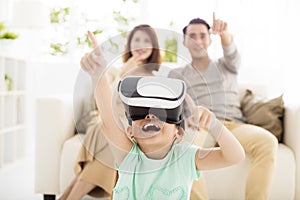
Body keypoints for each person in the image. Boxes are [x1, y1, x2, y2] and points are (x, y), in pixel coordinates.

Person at [81, 30, 245, 199]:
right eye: (140, 113)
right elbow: (108, 117)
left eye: (162, 113)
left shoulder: (185, 158)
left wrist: (214, 124)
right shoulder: (128, 157)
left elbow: (234, 156)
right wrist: (98, 73)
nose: (150, 116)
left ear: (179, 131)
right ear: (130, 132)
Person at [168, 13, 278, 200]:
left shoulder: (227, 66)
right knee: (183, 151)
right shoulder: (176, 74)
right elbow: (173, 106)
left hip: (233, 125)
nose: (197, 41)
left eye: (202, 35)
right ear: (185, 43)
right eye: (192, 36)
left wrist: (225, 34)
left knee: (268, 141)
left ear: (210, 40)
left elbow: (232, 53)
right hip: (200, 126)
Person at [59, 24, 162, 200]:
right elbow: (107, 103)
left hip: (128, 126)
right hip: (107, 120)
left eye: (146, 40)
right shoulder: (115, 71)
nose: (141, 45)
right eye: (137, 40)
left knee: (113, 143)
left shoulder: (155, 78)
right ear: (129, 45)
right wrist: (124, 73)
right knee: (112, 132)